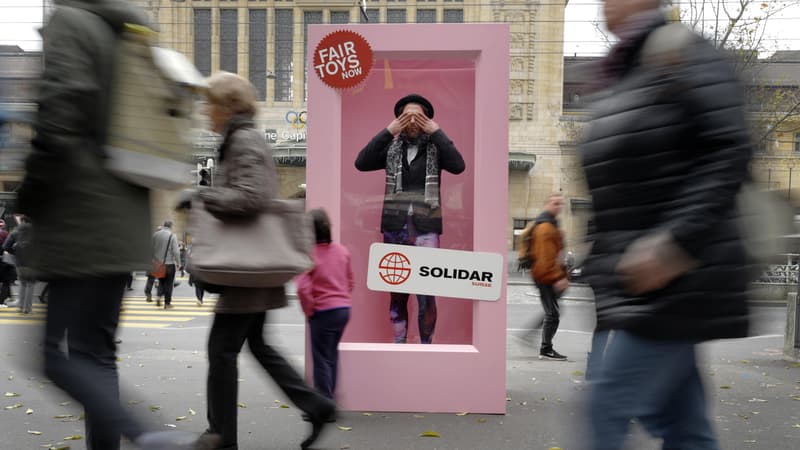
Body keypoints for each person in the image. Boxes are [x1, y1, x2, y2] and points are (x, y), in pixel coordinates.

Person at [15, 1, 220, 449]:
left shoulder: (71, 21)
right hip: (124, 216)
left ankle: (152, 436)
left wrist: (29, 197)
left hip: (77, 219)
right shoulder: (128, 30)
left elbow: (59, 117)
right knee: (97, 356)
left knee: (54, 356)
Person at [579, 1, 752, 449]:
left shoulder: (684, 52)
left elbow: (729, 149)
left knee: (605, 404)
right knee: (684, 428)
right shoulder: (620, 74)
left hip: (675, 282)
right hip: (632, 283)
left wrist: (674, 244)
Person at [193, 72, 335, 450]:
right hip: (251, 266)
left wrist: (204, 196)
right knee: (256, 344)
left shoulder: (244, 139)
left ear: (227, 107)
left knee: (222, 350)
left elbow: (251, 198)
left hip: (248, 268)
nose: (205, 110)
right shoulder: (240, 139)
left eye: (209, 103)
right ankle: (316, 405)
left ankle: (221, 435)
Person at [354, 94, 465, 344]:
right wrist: (388, 130)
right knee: (397, 293)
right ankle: (399, 343)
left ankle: (426, 345)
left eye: (418, 116)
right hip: (395, 228)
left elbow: (459, 165)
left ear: (427, 119)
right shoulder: (391, 149)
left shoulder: (436, 148)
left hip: (426, 229)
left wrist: (436, 131)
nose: (412, 121)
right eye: (406, 116)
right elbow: (361, 162)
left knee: (427, 295)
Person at [295, 209, 353, 399]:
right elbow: (350, 281)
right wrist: (342, 298)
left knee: (320, 359)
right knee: (331, 355)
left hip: (322, 311)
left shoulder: (309, 255)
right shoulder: (342, 251)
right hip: (343, 310)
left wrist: (309, 310)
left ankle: (323, 403)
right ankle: (331, 398)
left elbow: (303, 288)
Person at [3, 216, 34, 314]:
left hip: (20, 262)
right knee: (30, 284)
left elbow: (6, 246)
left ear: (23, 221)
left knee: (23, 283)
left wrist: (15, 252)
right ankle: (27, 309)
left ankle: (20, 307)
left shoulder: (15, 231)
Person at [151, 221, 180, 309]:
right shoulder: (172, 236)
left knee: (161, 282)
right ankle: (167, 303)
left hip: (158, 264)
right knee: (168, 284)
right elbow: (176, 251)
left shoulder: (155, 235)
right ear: (171, 226)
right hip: (169, 264)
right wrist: (178, 263)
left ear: (163, 226)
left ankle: (158, 296)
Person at [0, 219, 13, 307]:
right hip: (4, 260)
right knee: (6, 281)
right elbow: (9, 246)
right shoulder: (5, 234)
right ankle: (1, 301)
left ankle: (8, 296)